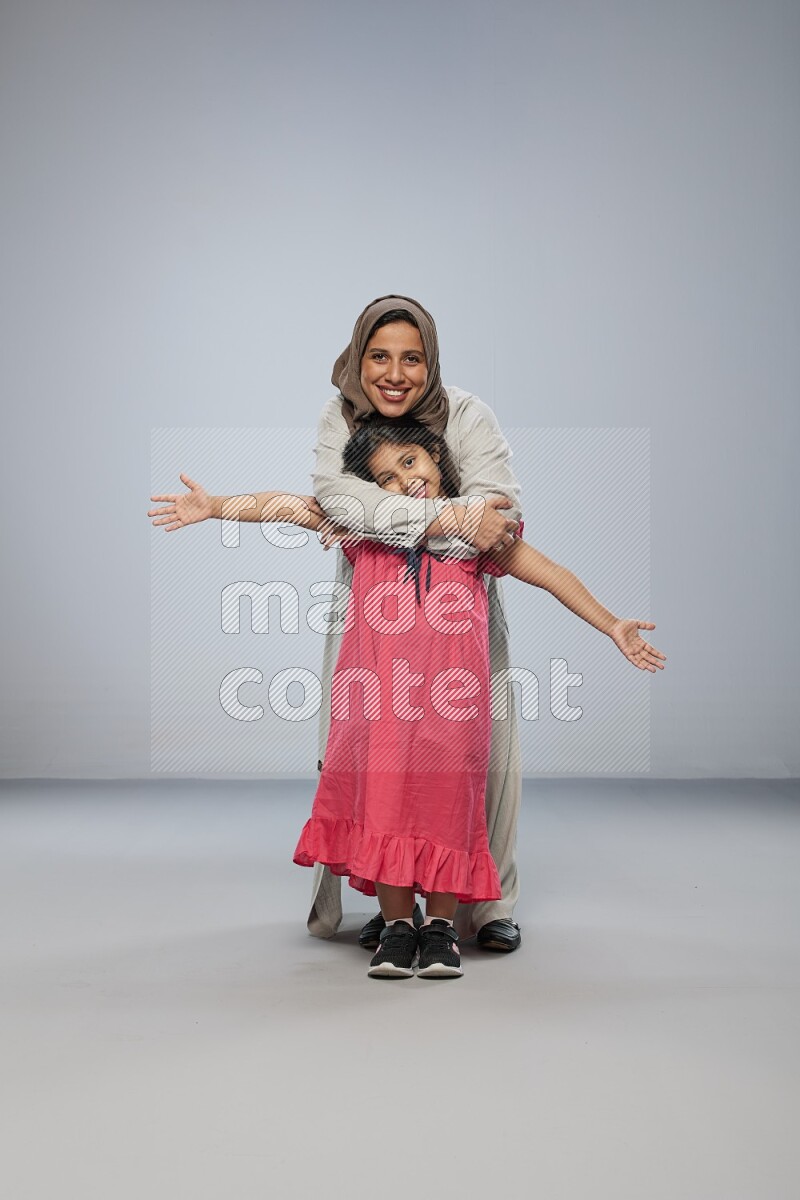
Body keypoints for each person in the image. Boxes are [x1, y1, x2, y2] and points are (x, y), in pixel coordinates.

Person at [291, 415, 665, 979]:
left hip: (453, 713)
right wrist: (214, 506)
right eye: (386, 477)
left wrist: (611, 623)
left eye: (411, 461)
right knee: (383, 808)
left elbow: (549, 572)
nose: (405, 480)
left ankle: (440, 929)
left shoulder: (475, 536)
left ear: (439, 460)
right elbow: (287, 507)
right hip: (379, 713)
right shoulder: (365, 536)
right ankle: (398, 928)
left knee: (448, 810)